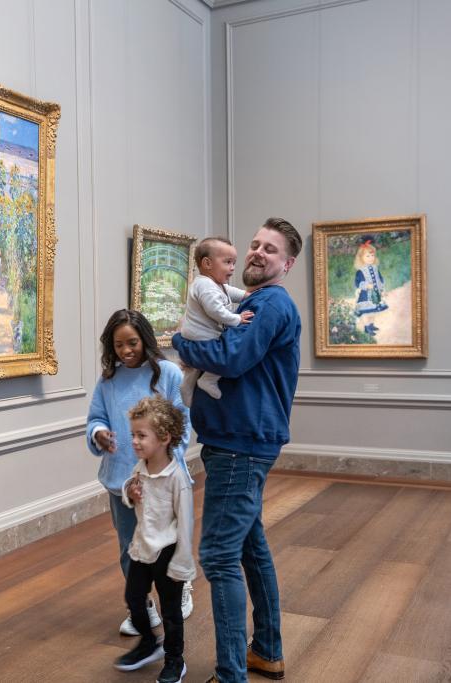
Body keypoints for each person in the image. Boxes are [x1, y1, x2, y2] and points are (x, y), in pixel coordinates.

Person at [171, 217, 303, 683]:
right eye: (254, 245)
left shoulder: (268, 304)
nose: (257, 253)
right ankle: (266, 651)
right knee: (249, 546)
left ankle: (230, 675)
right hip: (244, 440)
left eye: (270, 250)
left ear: (286, 264)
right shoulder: (258, 302)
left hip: (239, 444)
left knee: (220, 555)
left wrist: (179, 342)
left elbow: (230, 358)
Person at [86, 309, 195, 637]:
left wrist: (164, 456)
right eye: (118, 345)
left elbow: (183, 420)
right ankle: (142, 607)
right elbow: (95, 418)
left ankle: (179, 589)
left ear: (145, 340)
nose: (126, 351)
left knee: (167, 542)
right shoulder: (108, 381)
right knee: (130, 545)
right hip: (121, 478)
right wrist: (99, 433)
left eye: (132, 342)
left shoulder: (169, 374)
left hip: (164, 479)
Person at [113, 396, 195, 683]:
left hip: (168, 552)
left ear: (164, 437)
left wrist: (182, 564)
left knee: (171, 612)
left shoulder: (177, 478)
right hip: (141, 548)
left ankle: (175, 660)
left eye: (141, 435)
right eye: (132, 434)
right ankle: (148, 642)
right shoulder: (141, 468)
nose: (134, 441)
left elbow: (186, 524)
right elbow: (133, 495)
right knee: (133, 598)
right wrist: (129, 493)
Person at [179, 237, 253, 404]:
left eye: (234, 263)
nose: (232, 268)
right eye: (228, 262)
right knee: (221, 354)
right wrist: (237, 319)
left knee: (195, 366)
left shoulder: (215, 284)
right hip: (202, 335)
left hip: (197, 334)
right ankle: (208, 380)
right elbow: (215, 310)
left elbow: (230, 292)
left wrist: (246, 295)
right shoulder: (204, 285)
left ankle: (186, 386)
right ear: (207, 263)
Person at [353, 237, 388, 336]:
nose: (371, 258)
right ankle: (366, 327)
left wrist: (382, 289)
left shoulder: (375, 268)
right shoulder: (360, 271)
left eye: (372, 255)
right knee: (366, 312)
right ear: (361, 258)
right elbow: (358, 283)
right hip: (365, 295)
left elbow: (380, 279)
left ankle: (371, 325)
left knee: (373, 311)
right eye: (368, 256)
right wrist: (366, 285)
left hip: (375, 294)